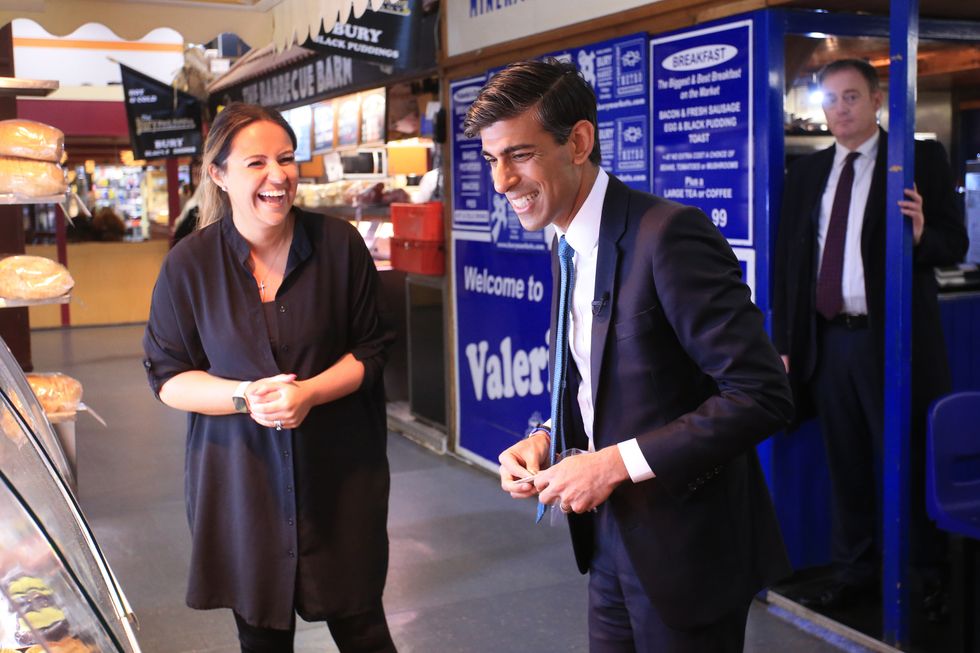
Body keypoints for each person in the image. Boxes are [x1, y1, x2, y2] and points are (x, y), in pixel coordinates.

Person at [466, 60, 794, 652]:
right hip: (610, 535)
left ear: (579, 141)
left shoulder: (669, 234)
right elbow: (596, 381)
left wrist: (614, 463)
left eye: (519, 155)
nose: (501, 181)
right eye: (492, 160)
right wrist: (546, 435)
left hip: (687, 546)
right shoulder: (565, 241)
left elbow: (761, 394)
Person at [142, 103, 397, 653]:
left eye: (285, 159)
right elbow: (168, 376)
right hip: (240, 481)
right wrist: (243, 397)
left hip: (340, 474)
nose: (277, 176)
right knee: (260, 636)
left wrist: (309, 392)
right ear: (218, 174)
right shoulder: (189, 265)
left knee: (363, 629)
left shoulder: (340, 246)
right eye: (256, 162)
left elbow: (371, 351)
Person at [772, 58, 968, 613]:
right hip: (831, 341)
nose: (840, 109)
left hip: (896, 341)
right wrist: (786, 343)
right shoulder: (808, 173)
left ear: (877, 100)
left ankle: (925, 572)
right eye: (831, 100)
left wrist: (926, 232)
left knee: (906, 458)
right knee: (848, 464)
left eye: (851, 97)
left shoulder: (918, 158)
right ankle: (855, 574)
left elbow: (953, 244)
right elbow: (792, 264)